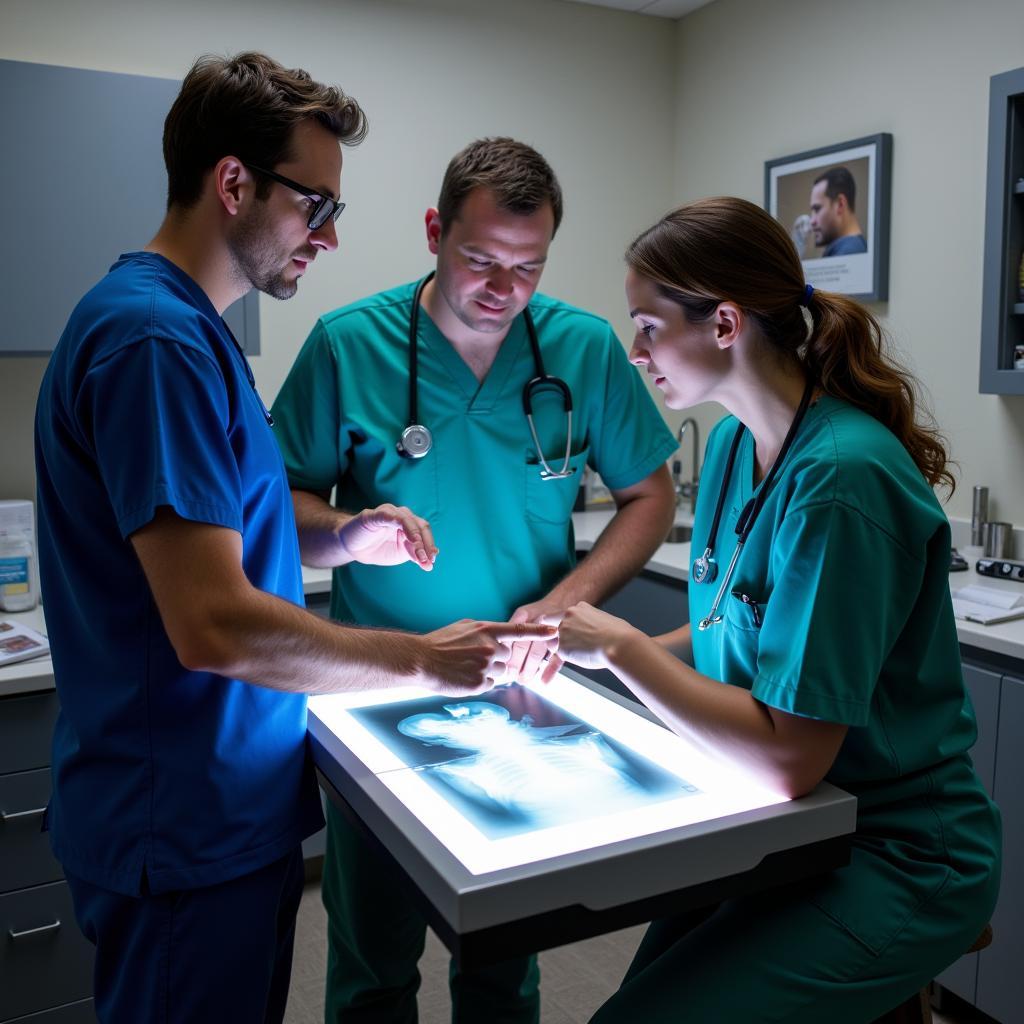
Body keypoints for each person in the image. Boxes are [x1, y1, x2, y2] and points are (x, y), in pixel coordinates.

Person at [34, 55, 551, 1024]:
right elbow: (214, 625)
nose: (332, 233)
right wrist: (427, 664)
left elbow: (227, 544)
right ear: (233, 182)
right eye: (315, 203)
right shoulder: (155, 343)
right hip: (181, 817)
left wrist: (349, 539)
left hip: (217, 806)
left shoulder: (191, 333)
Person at [550, 196, 1001, 1023]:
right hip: (785, 826)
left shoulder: (841, 479)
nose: (634, 350)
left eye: (648, 326)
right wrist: (584, 654)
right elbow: (734, 623)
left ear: (724, 323)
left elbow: (791, 755)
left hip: (894, 847)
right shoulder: (730, 448)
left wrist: (622, 651)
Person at [271, 137, 678, 1023]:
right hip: (377, 687)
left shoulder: (582, 348)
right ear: (433, 232)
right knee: (372, 957)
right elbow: (280, 517)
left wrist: (569, 600)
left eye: (527, 268)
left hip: (525, 692)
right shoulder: (349, 345)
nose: (504, 288)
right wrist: (348, 532)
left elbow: (650, 492)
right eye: (481, 259)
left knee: (503, 954)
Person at [809, 166, 867, 256]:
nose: (812, 221)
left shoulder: (848, 252)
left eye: (817, 209)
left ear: (840, 204)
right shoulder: (852, 249)